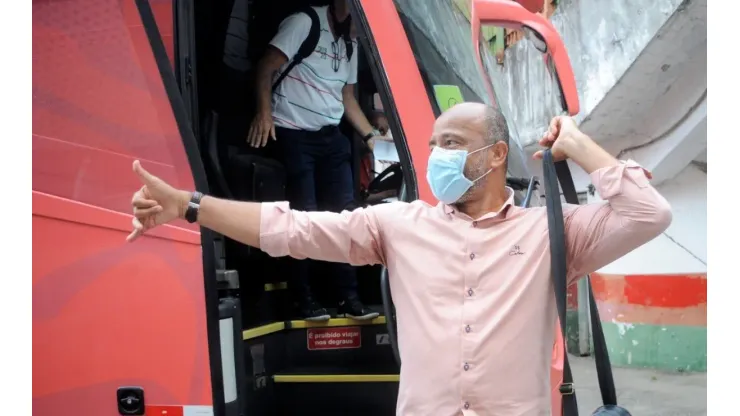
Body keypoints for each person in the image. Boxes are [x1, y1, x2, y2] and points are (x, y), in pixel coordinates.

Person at [127, 103, 672, 415]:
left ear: (496, 156)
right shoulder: (398, 225)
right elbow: (290, 229)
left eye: (453, 142)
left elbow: (648, 214)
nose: (437, 155)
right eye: (434, 143)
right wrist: (189, 206)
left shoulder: (554, 232)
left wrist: (575, 143)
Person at [246, 0, 381, 320]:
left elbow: (347, 98)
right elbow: (266, 67)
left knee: (345, 216)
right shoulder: (304, 23)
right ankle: (302, 299)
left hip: (330, 136)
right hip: (293, 133)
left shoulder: (351, 42)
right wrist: (264, 114)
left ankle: (348, 298)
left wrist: (371, 137)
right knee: (303, 215)